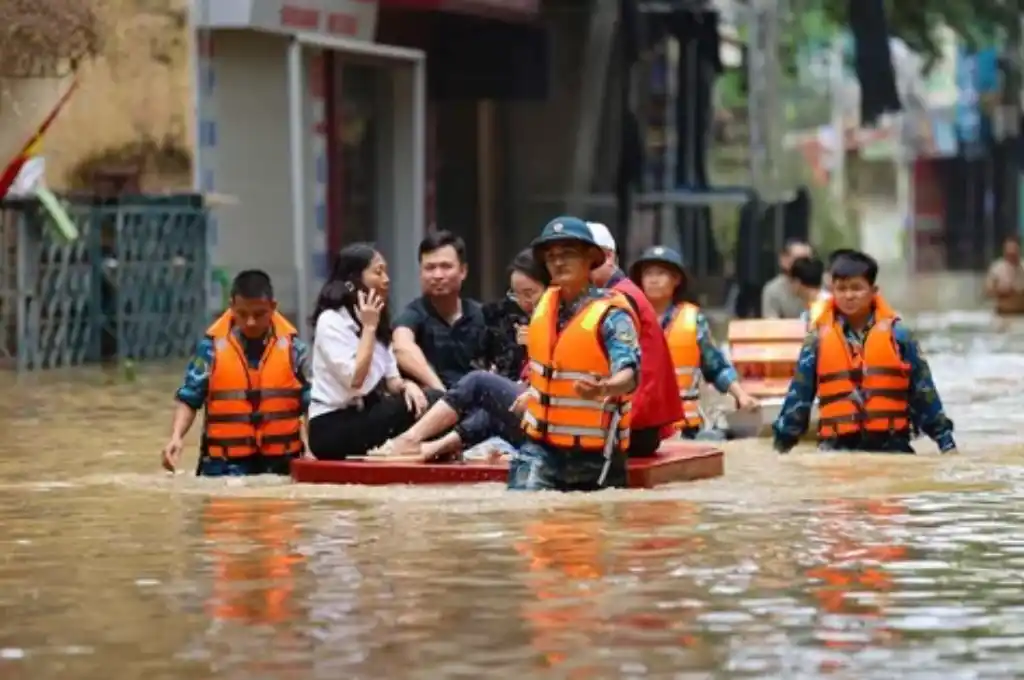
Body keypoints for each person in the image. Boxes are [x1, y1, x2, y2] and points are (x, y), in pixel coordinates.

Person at [772, 251, 957, 455]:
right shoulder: (817, 340)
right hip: (836, 450)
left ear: (873, 290)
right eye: (841, 289)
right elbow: (799, 398)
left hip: (891, 448)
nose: (849, 295)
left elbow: (924, 394)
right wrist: (781, 447)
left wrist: (946, 443)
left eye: (857, 288)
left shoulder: (899, 336)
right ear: (832, 291)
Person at [508, 216, 642, 491]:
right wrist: (531, 394)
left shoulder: (612, 315)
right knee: (523, 510)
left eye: (568, 254)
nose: (558, 262)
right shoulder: (545, 304)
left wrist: (605, 387)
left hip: (595, 456)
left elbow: (630, 372)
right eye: (551, 256)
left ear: (589, 260)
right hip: (541, 448)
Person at [160, 270, 310, 476]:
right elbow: (189, 398)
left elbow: (311, 403)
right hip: (224, 465)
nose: (250, 322)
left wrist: (313, 451)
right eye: (242, 314)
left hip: (281, 464)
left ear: (273, 307)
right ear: (231, 307)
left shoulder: (294, 350)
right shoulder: (210, 349)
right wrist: (176, 437)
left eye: (259, 315)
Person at [306, 243, 434, 460]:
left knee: (432, 400)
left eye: (386, 271)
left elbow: (392, 380)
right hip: (330, 425)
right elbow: (355, 380)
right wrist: (369, 329)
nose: (386, 279)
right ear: (354, 280)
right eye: (378, 272)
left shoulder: (378, 321)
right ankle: (403, 446)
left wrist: (408, 385)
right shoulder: (331, 321)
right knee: (433, 405)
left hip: (364, 415)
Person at [630, 245, 759, 436]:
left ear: (676, 279)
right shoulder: (627, 318)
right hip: (639, 425)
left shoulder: (693, 320)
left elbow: (715, 366)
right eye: (648, 273)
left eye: (661, 273)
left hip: (684, 427)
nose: (653, 280)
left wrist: (741, 395)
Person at [586, 222, 682, 456]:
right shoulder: (620, 292)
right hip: (636, 423)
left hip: (630, 427)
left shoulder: (619, 298)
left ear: (607, 257)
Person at [392, 231, 491, 390]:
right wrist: (442, 393)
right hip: (435, 401)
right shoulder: (413, 314)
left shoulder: (482, 315)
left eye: (446, 267)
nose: (437, 275)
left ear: (463, 271)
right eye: (430, 268)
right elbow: (401, 346)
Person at [483, 248, 548, 381]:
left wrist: (535, 345)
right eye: (515, 295)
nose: (523, 302)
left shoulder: (563, 320)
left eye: (529, 294)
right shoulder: (512, 321)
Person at [762, 239, 814, 319]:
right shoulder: (773, 290)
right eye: (799, 260)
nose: (804, 265)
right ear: (784, 260)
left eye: (807, 260)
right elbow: (771, 325)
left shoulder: (820, 287)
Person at [985, 235, 1024, 315]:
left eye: (1014, 253)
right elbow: (987, 291)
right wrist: (1001, 291)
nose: (1011, 256)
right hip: (1002, 314)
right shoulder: (997, 268)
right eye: (1009, 254)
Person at [789, 256, 830, 324]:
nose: (790, 286)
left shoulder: (828, 306)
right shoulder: (807, 310)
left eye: (791, 281)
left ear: (797, 282)